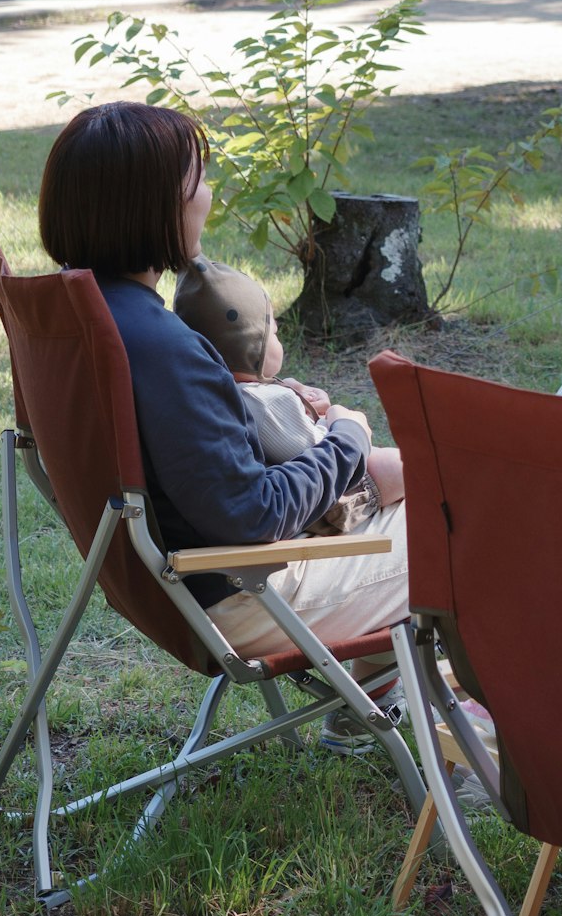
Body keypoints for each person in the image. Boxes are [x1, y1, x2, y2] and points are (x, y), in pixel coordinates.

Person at [37, 101, 407, 650]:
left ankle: (378, 705)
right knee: (461, 515)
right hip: (241, 594)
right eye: (200, 179)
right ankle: (438, 709)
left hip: (163, 585)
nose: (209, 195)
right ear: (154, 207)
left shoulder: (76, 315)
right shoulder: (162, 346)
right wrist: (347, 438)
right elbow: (254, 514)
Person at [172, 256, 377, 535]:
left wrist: (294, 396)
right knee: (397, 467)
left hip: (293, 494)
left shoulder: (222, 392)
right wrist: (343, 424)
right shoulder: (265, 403)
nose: (279, 342)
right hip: (319, 504)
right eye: (275, 334)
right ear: (253, 350)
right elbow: (319, 453)